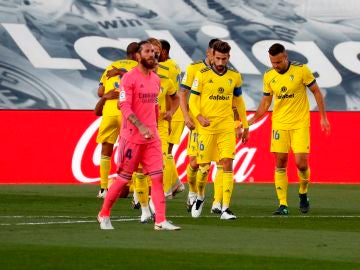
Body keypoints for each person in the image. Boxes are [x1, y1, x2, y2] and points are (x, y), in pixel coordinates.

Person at [97, 40, 181, 230]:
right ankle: (103, 214)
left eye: (154, 52)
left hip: (152, 138)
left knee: (157, 177)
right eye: (148, 51)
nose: (153, 54)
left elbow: (154, 106)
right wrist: (140, 126)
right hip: (132, 137)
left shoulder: (156, 79)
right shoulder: (129, 79)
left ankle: (160, 220)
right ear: (138, 56)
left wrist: (162, 121)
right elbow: (123, 106)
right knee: (124, 179)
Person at [248, 43, 330, 215]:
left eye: (278, 62)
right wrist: (252, 120)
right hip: (279, 124)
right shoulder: (269, 76)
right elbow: (265, 102)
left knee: (301, 164)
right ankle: (283, 204)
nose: (275, 66)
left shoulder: (301, 70)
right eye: (272, 63)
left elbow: (316, 91)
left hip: (300, 123)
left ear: (285, 56)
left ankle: (303, 192)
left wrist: (323, 117)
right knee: (280, 162)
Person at [188, 40, 249, 219]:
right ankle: (200, 197)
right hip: (206, 127)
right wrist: (198, 116)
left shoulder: (235, 76)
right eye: (218, 59)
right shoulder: (202, 74)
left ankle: (225, 208)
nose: (221, 63)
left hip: (226, 127)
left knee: (227, 164)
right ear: (212, 57)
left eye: (224, 59)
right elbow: (192, 100)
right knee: (204, 168)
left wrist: (245, 125)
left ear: (228, 57)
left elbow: (239, 102)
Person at [180, 38, 226, 214]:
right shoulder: (194, 68)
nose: (219, 60)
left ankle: (217, 202)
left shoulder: (228, 73)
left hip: (221, 124)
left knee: (222, 162)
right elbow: (183, 93)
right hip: (198, 124)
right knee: (195, 163)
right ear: (209, 53)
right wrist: (186, 116)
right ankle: (193, 191)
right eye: (216, 55)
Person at [95, 41, 138, 198]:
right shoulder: (137, 68)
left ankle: (103, 188)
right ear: (137, 55)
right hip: (127, 112)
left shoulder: (111, 66)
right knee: (131, 150)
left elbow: (100, 91)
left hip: (109, 112)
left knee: (106, 149)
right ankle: (130, 186)